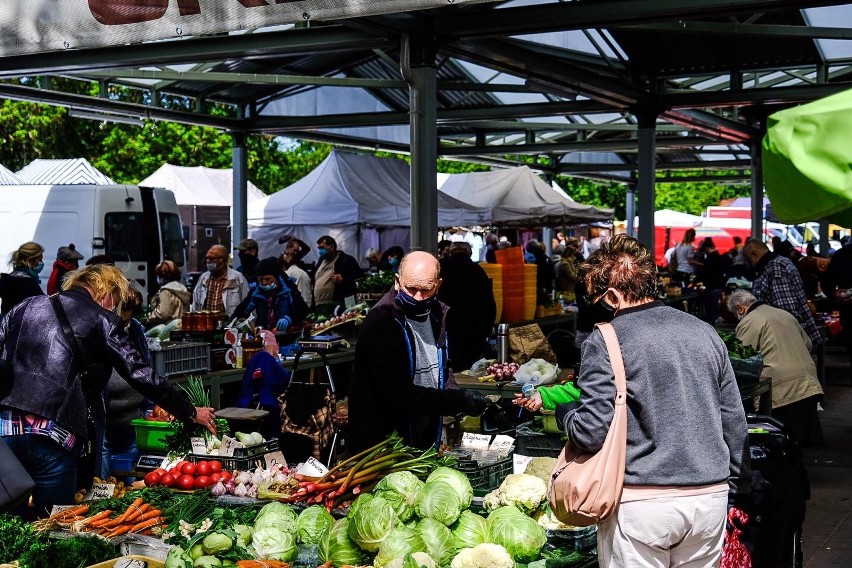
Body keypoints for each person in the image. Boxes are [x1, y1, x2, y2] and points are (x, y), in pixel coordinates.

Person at [559, 235, 751, 567]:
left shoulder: (605, 339)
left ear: (613, 295)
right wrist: (732, 488)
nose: (589, 305)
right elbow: (734, 421)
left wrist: (565, 414)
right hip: (710, 499)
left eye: (591, 297)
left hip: (642, 502)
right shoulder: (705, 331)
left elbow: (591, 431)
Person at [0, 264, 217, 517]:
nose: (115, 305)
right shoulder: (102, 319)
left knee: (9, 523)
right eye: (117, 298)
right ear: (106, 290)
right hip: (54, 430)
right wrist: (189, 411)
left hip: (6, 426)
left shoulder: (23, 307)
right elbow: (140, 373)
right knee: (53, 524)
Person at [348, 251, 488, 452]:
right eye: (411, 289)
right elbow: (398, 395)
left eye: (426, 289)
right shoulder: (382, 322)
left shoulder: (437, 315)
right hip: (384, 446)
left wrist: (454, 391)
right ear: (397, 281)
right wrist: (458, 401)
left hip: (422, 438)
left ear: (438, 285)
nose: (418, 297)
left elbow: (441, 367)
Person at [727, 290, 824, 447]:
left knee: (782, 441)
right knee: (801, 440)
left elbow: (741, 357)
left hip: (781, 387)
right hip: (807, 381)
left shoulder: (749, 320)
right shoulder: (784, 314)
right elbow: (808, 344)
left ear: (740, 308)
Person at [101, 287, 153, 483]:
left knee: (131, 483)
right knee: (103, 484)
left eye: (130, 320)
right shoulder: (101, 327)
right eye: (124, 320)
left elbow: (144, 368)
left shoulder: (136, 329)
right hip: (105, 421)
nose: (127, 324)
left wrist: (149, 406)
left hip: (132, 417)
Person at [742, 238, 822, 348]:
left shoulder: (776, 267)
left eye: (749, 260)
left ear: (754, 254)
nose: (752, 265)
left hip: (787, 341)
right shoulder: (775, 264)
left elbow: (786, 311)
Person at [438, 242, 497, 371]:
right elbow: (489, 303)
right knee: (467, 368)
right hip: (473, 328)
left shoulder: (441, 267)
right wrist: (486, 329)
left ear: (451, 252)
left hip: (445, 326)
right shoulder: (478, 270)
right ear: (469, 253)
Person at [236, 330, 290, 439]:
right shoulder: (269, 361)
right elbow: (287, 379)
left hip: (251, 401)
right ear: (275, 346)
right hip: (272, 406)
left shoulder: (259, 360)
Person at [232, 257, 308, 331]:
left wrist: (289, 319)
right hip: (264, 335)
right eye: (261, 279)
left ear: (276, 277)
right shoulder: (255, 292)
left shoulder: (289, 289)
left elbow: (303, 310)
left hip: (287, 334)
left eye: (268, 279)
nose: (264, 283)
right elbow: (241, 311)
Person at [191, 245, 249, 316]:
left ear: (222, 260)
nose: (208, 261)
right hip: (206, 325)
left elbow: (248, 304)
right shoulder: (203, 278)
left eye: (211, 258)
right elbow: (195, 305)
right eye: (207, 258)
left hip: (230, 325)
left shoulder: (237, 278)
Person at [313, 235, 361, 308]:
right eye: (319, 248)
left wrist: (343, 280)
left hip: (337, 305)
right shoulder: (321, 260)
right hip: (319, 306)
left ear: (332, 247)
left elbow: (359, 281)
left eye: (322, 248)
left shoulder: (346, 260)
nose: (320, 251)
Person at [0, 241, 45, 316]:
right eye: (40, 259)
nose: (41, 263)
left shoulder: (8, 279)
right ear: (31, 260)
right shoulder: (28, 283)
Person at [147, 260, 191, 325]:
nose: (157, 278)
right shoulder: (183, 289)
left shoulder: (166, 291)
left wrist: (148, 317)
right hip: (182, 327)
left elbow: (162, 314)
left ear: (163, 276)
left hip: (169, 330)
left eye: (159, 275)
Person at [694, 237, 725, 325]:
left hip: (711, 287)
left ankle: (712, 328)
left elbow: (705, 272)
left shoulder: (710, 258)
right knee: (717, 311)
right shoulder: (719, 257)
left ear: (707, 248)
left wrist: (697, 280)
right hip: (719, 286)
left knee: (710, 312)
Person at [281, 240, 314, 308]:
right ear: (288, 248)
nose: (296, 252)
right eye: (294, 250)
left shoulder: (296, 256)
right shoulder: (281, 259)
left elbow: (306, 249)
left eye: (297, 250)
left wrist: (296, 239)